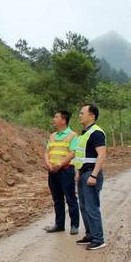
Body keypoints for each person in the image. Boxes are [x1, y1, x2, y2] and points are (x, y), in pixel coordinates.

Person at [72, 104, 107, 250]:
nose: (80, 115)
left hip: (91, 173)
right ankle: (90, 235)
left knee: (92, 207)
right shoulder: (84, 133)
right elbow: (81, 156)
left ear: (92, 116)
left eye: (82, 113)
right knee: (84, 206)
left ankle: (98, 239)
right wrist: (78, 172)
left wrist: (93, 175)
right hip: (83, 172)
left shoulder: (96, 133)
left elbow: (102, 154)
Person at [44, 110, 79, 235]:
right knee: (57, 199)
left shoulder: (72, 135)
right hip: (52, 171)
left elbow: (72, 152)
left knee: (70, 198)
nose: (54, 119)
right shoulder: (52, 136)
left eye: (56, 116)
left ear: (63, 120)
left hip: (65, 171)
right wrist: (48, 163)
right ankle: (59, 224)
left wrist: (60, 164)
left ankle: (74, 225)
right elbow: (47, 151)